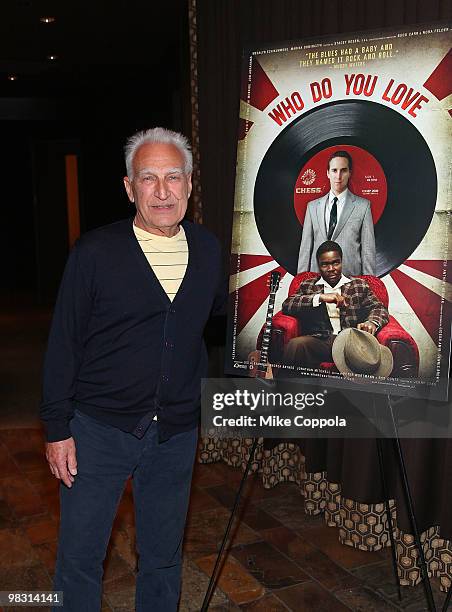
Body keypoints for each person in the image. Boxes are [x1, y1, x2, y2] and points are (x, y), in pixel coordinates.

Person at [40, 127, 226, 611]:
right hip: (96, 431)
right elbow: (63, 344)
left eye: (172, 177)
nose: (162, 191)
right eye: (148, 178)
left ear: (189, 183)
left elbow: (223, 326)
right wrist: (57, 427)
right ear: (129, 188)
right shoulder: (95, 253)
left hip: (176, 433)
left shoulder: (208, 250)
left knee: (163, 557)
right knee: (80, 559)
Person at [283, 240, 388, 369]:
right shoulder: (308, 285)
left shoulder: (359, 285)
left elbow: (379, 308)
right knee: (295, 345)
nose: (331, 269)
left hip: (351, 341)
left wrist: (372, 322)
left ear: (341, 261)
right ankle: (287, 388)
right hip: (320, 341)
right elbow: (288, 305)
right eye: (325, 264)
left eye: (335, 263)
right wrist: (320, 298)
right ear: (318, 265)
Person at [297, 150, 376, 276]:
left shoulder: (363, 206)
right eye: (334, 170)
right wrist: (300, 283)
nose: (338, 176)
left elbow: (368, 251)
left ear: (350, 173)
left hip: (350, 279)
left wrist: (370, 284)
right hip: (317, 279)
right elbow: (305, 249)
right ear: (328, 173)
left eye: (343, 170)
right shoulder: (312, 207)